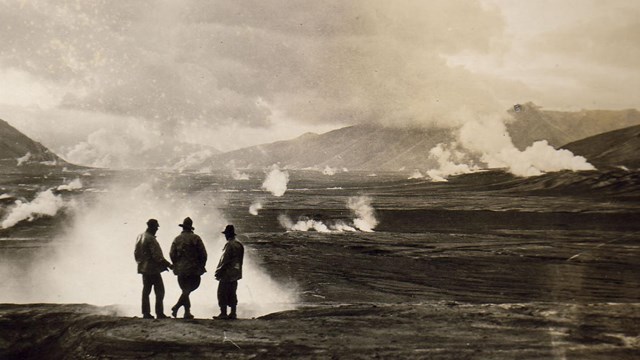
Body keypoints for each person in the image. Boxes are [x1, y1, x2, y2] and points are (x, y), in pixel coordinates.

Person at [170, 217, 207, 319]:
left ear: (183, 227)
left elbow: (172, 254)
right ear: (191, 227)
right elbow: (203, 254)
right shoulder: (196, 238)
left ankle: (185, 311)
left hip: (181, 270)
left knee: (185, 289)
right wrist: (201, 265)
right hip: (193, 269)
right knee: (191, 288)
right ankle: (179, 307)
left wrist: (176, 264)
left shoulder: (177, 239)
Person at [134, 219, 172, 319]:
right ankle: (159, 313)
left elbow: (136, 253)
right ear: (152, 227)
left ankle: (145, 313)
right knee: (160, 291)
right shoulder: (150, 239)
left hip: (144, 268)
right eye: (156, 227)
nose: (157, 229)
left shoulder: (140, 236)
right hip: (153, 269)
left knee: (146, 290)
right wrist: (168, 265)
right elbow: (157, 256)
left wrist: (141, 263)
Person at [214, 225, 244, 320]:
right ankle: (233, 313)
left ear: (227, 235)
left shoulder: (229, 245)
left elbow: (225, 260)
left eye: (226, 234)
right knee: (232, 292)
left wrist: (218, 271)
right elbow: (240, 261)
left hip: (226, 273)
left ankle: (223, 313)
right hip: (235, 273)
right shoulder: (239, 245)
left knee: (222, 292)